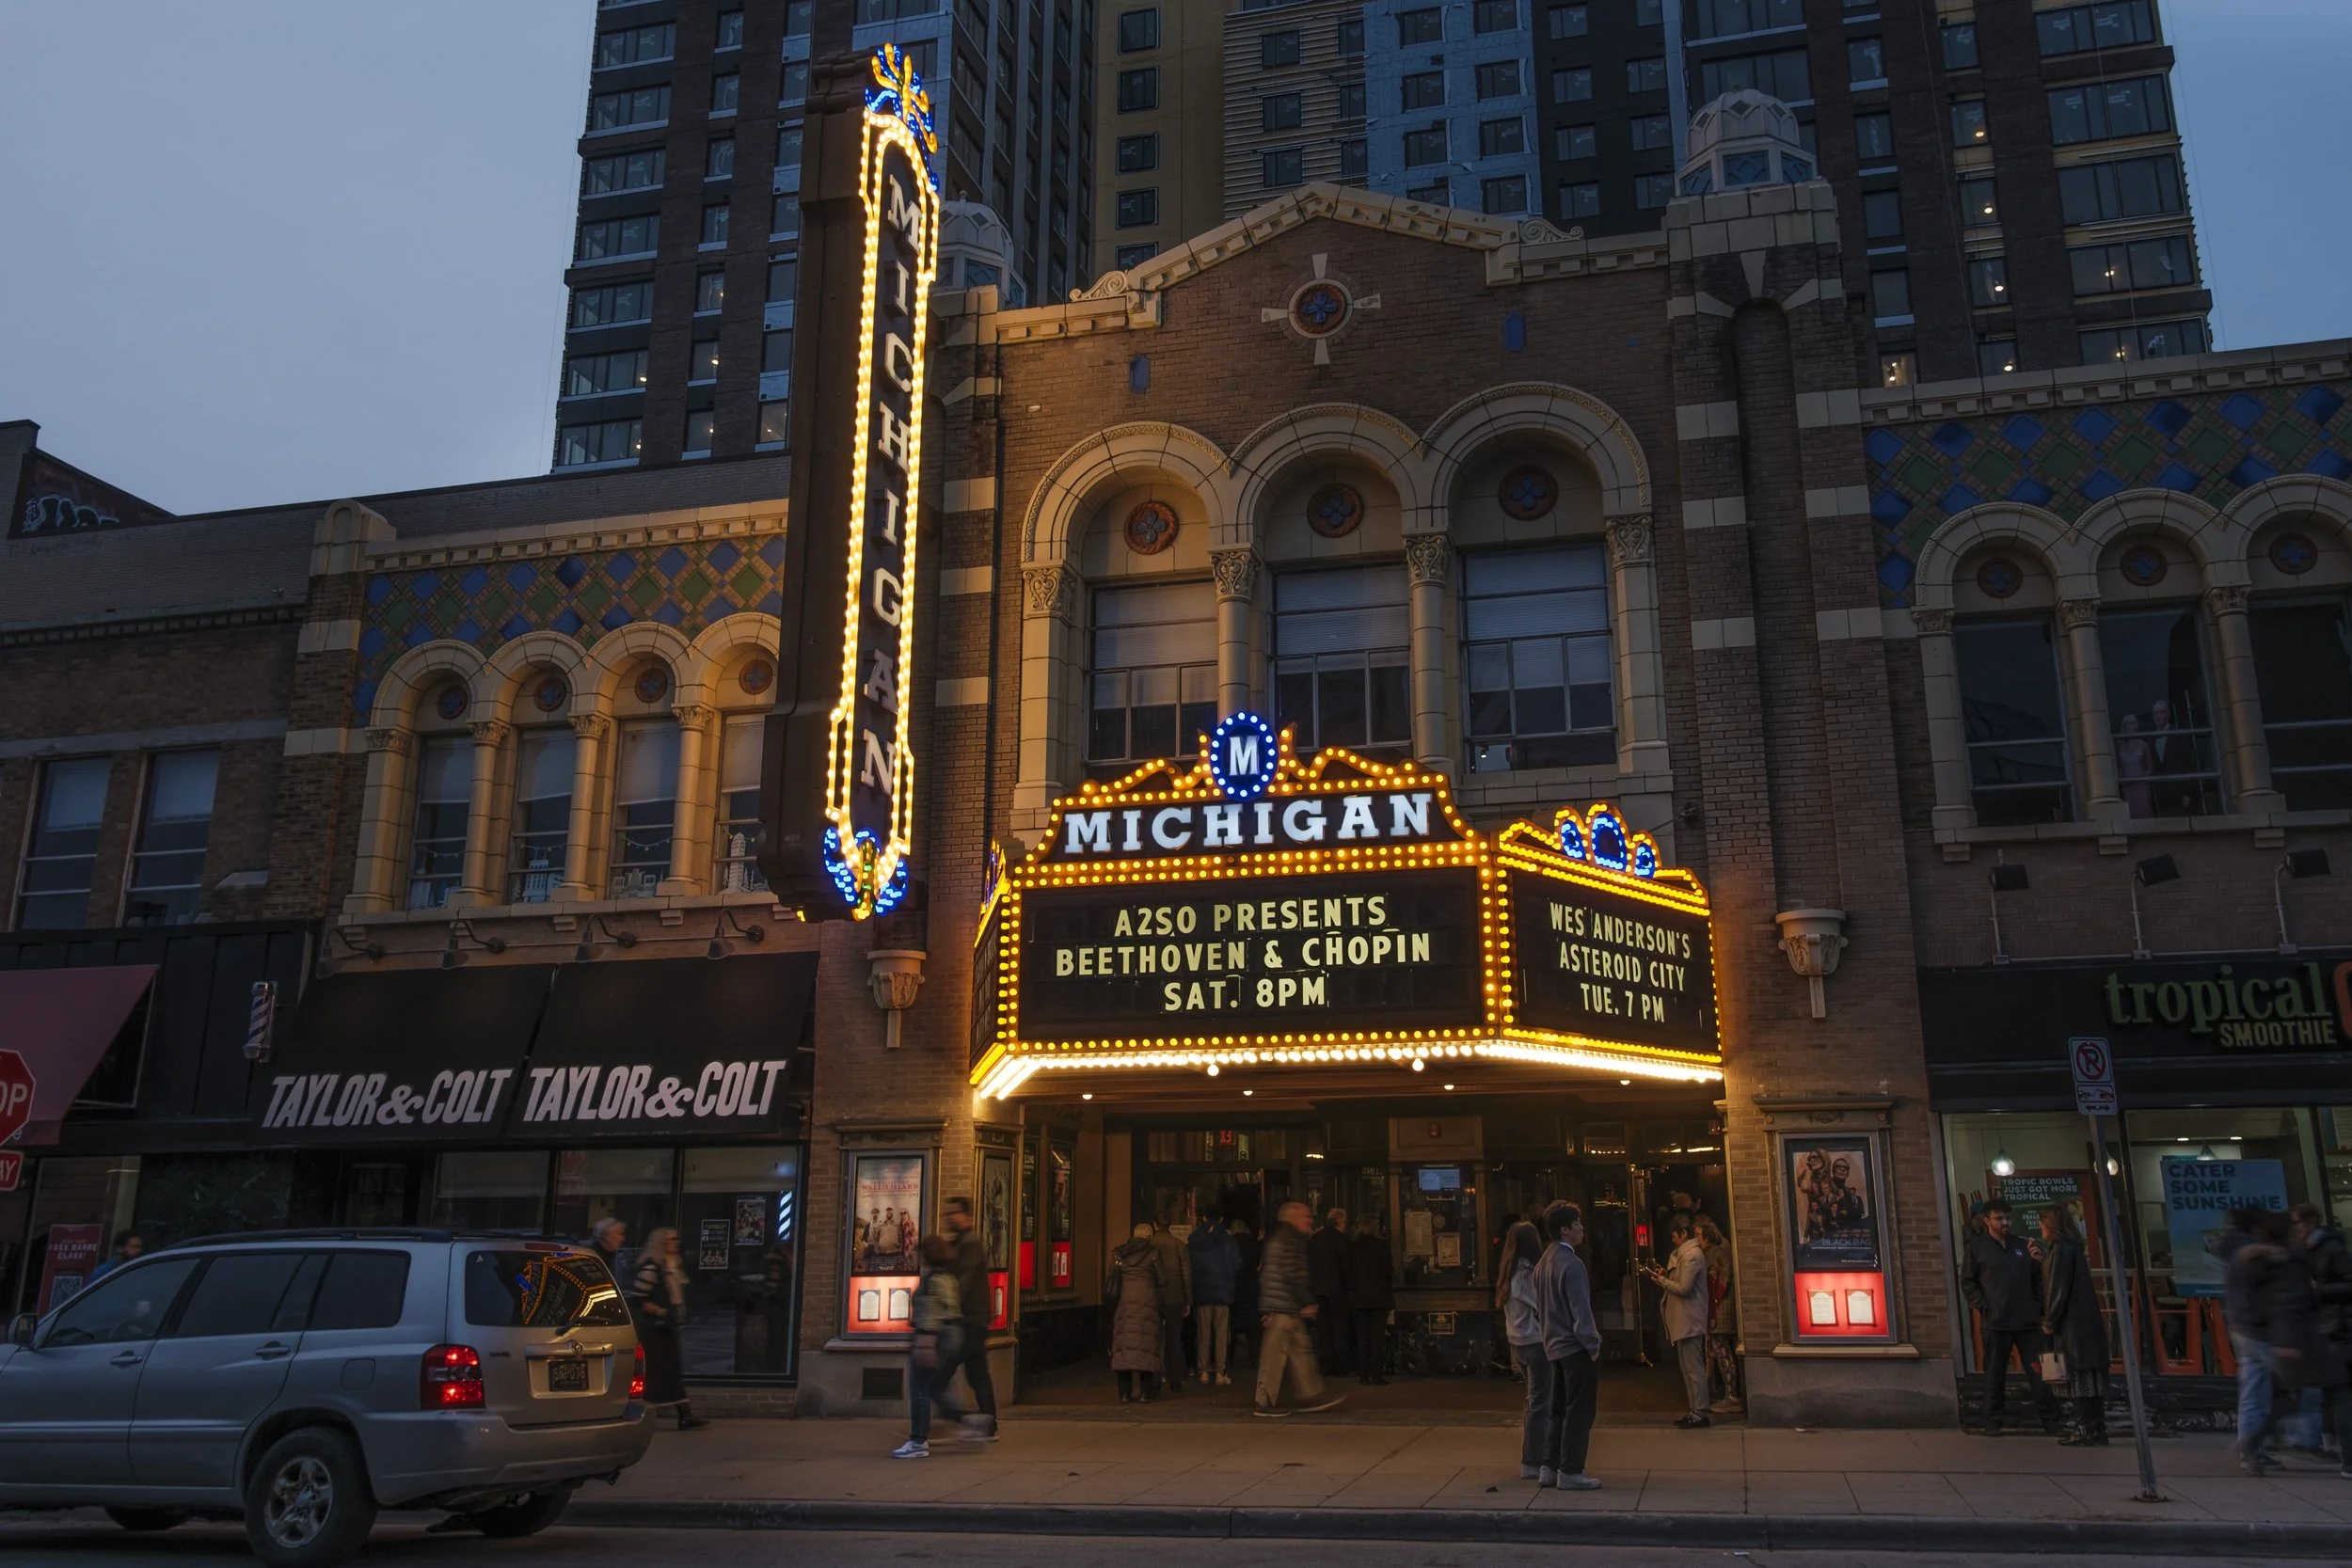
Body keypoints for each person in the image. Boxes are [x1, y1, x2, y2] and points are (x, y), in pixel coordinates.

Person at [2267, 1206, 2352, 1475]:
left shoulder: (2331, 1250)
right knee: (2330, 1392)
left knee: (2337, 1392)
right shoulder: (2302, 1253)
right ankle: (2328, 1443)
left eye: (2298, 1223)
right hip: (2322, 1329)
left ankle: (2336, 1450)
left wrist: (2319, 1291)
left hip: (2337, 1327)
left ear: (2310, 1222)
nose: (2297, 1229)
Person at [1960, 1197, 2055, 1435]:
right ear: (1987, 1221)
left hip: (2027, 1320)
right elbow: (1968, 1282)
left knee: (2038, 1372)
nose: (2005, 1222)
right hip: (1996, 1321)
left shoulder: (2022, 1245)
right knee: (1994, 1373)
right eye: (1999, 1218)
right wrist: (1984, 1306)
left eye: (2008, 1218)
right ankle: (1992, 1421)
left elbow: (2037, 1279)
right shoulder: (1977, 1248)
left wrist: (2038, 1307)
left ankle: (2051, 1420)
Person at [1534, 1200, 1602, 1490]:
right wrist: (1593, 1343)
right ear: (1564, 1230)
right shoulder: (1572, 1265)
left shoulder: (1543, 1262)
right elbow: (1581, 1312)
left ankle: (1548, 1466)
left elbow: (1540, 1308)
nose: (1581, 1228)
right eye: (1576, 1223)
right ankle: (1571, 1470)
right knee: (1580, 1411)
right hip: (1574, 1347)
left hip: (1552, 1345)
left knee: (1557, 1408)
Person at [1254, 1200, 1345, 1418]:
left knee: (1299, 1351)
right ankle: (1266, 1401)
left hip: (1283, 1305)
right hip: (1284, 1306)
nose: (1310, 1221)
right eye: (1306, 1217)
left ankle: (1311, 1394)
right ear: (1293, 1218)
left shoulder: (1279, 1238)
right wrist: (1305, 1300)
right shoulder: (1290, 1239)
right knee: (1277, 1355)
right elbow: (1292, 1272)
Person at [2037, 1204, 2109, 1447]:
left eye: (2042, 1223)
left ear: (2051, 1225)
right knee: (2090, 1378)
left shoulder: (2060, 1251)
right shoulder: (2071, 1249)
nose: (2040, 1229)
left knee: (2077, 1377)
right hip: (2085, 1322)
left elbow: (2058, 1288)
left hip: (2072, 1325)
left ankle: (2082, 1427)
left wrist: (2050, 1321)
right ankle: (2096, 1426)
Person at [2222, 1206, 2287, 1472]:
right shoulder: (2249, 1249)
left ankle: (2252, 1448)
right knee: (2297, 1385)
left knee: (2253, 1389)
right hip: (2256, 1328)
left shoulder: (2234, 1245)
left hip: (2242, 1326)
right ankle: (2299, 1438)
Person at [894, 1234, 969, 1458]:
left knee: (919, 1388)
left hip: (932, 1336)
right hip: (950, 1334)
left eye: (920, 1252)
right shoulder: (948, 1278)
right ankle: (967, 1420)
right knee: (934, 1388)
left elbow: (930, 1311)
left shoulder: (933, 1280)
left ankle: (918, 1441)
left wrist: (925, 1341)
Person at [628, 1227, 707, 1431]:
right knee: (656, 1371)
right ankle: (643, 1413)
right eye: (671, 1239)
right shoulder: (652, 1268)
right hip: (654, 1329)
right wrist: (657, 1310)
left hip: (667, 1327)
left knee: (672, 1370)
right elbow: (637, 1297)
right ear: (660, 1243)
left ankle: (685, 1414)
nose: (676, 1243)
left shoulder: (670, 1266)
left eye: (676, 1239)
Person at [940, 1196, 999, 1441]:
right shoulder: (961, 1242)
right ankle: (988, 1423)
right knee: (977, 1373)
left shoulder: (970, 1244)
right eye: (948, 1214)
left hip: (969, 1320)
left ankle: (960, 1418)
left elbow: (962, 1282)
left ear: (966, 1215)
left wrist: (948, 1309)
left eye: (954, 1213)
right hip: (972, 1319)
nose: (950, 1218)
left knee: (939, 1374)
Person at [1645, 1215, 1710, 1428]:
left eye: (1674, 1236)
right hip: (1685, 1318)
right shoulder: (1685, 1255)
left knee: (1693, 1367)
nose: (1673, 1240)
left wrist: (1662, 1281)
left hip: (1689, 1318)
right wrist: (1666, 1276)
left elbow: (1684, 1288)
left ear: (1683, 1234)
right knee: (1687, 1367)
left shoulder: (1690, 1256)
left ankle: (1699, 1410)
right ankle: (1695, 1410)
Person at [1496, 1220, 1548, 1479]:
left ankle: (1534, 1459)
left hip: (1517, 1341)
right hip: (1535, 1341)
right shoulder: (1526, 1274)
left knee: (1534, 1399)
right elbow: (1542, 1306)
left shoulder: (1508, 1271)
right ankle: (1533, 1460)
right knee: (1540, 1402)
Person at [1108, 1222, 1165, 1403]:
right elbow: (1163, 1278)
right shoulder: (1153, 1253)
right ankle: (1146, 1393)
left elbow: (1111, 1280)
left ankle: (1125, 1393)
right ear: (1148, 1237)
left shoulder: (1119, 1253)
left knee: (1125, 1347)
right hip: (1148, 1305)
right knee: (1147, 1346)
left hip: (1125, 1305)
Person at [1188, 1214, 1242, 1386]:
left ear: (1203, 1218)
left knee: (1203, 1333)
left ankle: (1203, 1371)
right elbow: (1237, 1264)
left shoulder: (1194, 1239)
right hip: (1223, 1292)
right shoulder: (1229, 1240)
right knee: (1221, 1333)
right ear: (1221, 1218)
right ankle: (1220, 1372)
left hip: (1202, 1292)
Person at [1697, 1216, 1742, 1415]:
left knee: (1722, 1351)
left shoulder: (1714, 1254)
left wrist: (1713, 1306)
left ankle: (1731, 1396)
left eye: (1698, 1235)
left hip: (1720, 1310)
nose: (1696, 1240)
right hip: (1721, 1308)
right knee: (1722, 1351)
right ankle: (1729, 1392)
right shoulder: (1722, 1249)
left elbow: (1719, 1282)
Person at [1345, 1213, 1394, 1386]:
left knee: (1362, 1337)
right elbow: (1388, 1271)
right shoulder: (1382, 1246)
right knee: (1377, 1337)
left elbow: (1348, 1272)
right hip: (1379, 1297)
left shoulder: (1353, 1247)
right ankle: (1377, 1374)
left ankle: (1363, 1374)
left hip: (1359, 1298)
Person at [1149, 1217, 1193, 1393]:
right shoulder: (1179, 1245)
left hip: (1154, 1298)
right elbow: (1187, 1274)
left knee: (1155, 1340)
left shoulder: (1149, 1245)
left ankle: (1155, 1380)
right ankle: (1175, 1380)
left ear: (1155, 1225)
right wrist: (1188, 1299)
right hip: (1175, 1298)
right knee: (1174, 1341)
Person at [1307, 1206, 1352, 1377]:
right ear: (1341, 1222)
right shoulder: (1341, 1240)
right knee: (1339, 1328)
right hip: (1337, 1291)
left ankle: (1326, 1363)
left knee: (1324, 1329)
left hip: (1319, 1290)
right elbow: (1345, 1267)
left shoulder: (1315, 1239)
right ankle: (1340, 1365)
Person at [1230, 1219, 1263, 1372]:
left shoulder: (1229, 1244)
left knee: (1231, 1326)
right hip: (1251, 1286)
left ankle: (1228, 1360)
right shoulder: (1254, 1243)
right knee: (1253, 1328)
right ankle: (1255, 1359)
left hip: (1234, 1286)